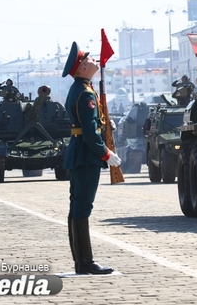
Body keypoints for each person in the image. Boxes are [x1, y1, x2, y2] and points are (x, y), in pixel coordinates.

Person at [62, 41, 122, 275]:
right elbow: (88, 132)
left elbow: (90, 124)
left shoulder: (82, 89)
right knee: (82, 207)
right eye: (89, 58)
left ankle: (81, 260)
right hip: (86, 155)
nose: (94, 59)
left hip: (80, 153)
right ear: (82, 67)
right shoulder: (85, 93)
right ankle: (85, 262)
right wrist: (106, 153)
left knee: (78, 205)